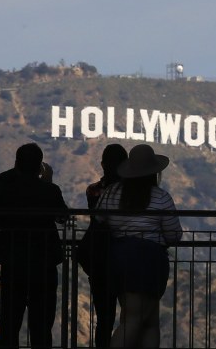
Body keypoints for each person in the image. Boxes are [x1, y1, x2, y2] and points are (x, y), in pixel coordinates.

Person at [0, 143, 68, 349]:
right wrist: (47, 181)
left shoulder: (6, 191)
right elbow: (62, 217)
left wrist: (16, 171)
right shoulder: (49, 191)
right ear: (39, 166)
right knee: (41, 325)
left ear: (17, 163)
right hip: (43, 264)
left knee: (10, 324)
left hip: (13, 262)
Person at [96, 144, 183, 348]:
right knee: (136, 319)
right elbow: (174, 235)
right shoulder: (161, 197)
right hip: (149, 261)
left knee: (148, 319)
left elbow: (99, 219)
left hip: (119, 258)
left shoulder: (111, 193)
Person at [85, 144, 127, 348]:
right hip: (127, 257)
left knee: (104, 317)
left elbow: (97, 219)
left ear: (103, 164)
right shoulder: (133, 192)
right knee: (131, 316)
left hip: (99, 258)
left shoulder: (93, 191)